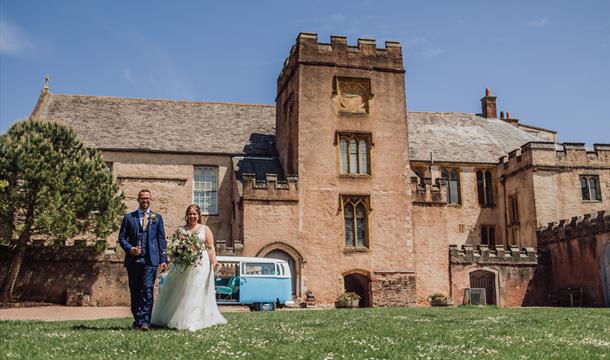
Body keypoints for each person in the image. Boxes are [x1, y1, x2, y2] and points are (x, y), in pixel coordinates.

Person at [151, 204, 227, 331]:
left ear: (199, 215)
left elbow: (210, 247)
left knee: (196, 291)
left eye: (194, 214)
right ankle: (174, 317)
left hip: (201, 265)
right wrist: (171, 258)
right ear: (186, 215)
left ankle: (192, 320)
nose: (192, 216)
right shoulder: (180, 230)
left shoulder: (205, 229)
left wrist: (214, 262)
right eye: (190, 214)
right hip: (182, 265)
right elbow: (172, 247)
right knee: (181, 291)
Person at [118, 189, 168, 331]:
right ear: (138, 199)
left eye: (147, 198)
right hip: (133, 262)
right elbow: (121, 238)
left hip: (150, 261)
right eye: (143, 198)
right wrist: (130, 249)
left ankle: (145, 322)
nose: (145, 200)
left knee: (147, 289)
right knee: (135, 291)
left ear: (150, 200)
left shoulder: (157, 218)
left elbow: (161, 239)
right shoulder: (129, 218)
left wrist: (163, 258)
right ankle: (138, 319)